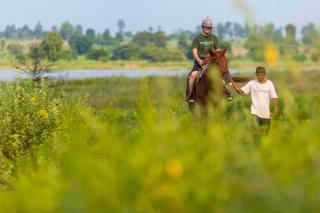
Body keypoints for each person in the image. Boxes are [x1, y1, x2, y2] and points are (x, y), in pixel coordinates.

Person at [231, 66, 279, 135]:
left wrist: (275, 107)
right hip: (254, 113)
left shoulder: (269, 84)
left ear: (265, 75)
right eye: (258, 75)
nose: (260, 77)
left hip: (266, 115)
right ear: (256, 75)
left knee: (265, 135)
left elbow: (274, 96)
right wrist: (232, 82)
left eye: (262, 75)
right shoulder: (252, 83)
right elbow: (240, 91)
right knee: (255, 135)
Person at [187, 17, 219, 102]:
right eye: (206, 27)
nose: (208, 29)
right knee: (193, 75)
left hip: (211, 61)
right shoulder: (198, 38)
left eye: (209, 27)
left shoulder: (214, 38)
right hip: (200, 61)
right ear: (203, 27)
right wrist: (198, 60)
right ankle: (191, 95)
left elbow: (218, 51)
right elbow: (194, 51)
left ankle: (226, 92)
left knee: (221, 75)